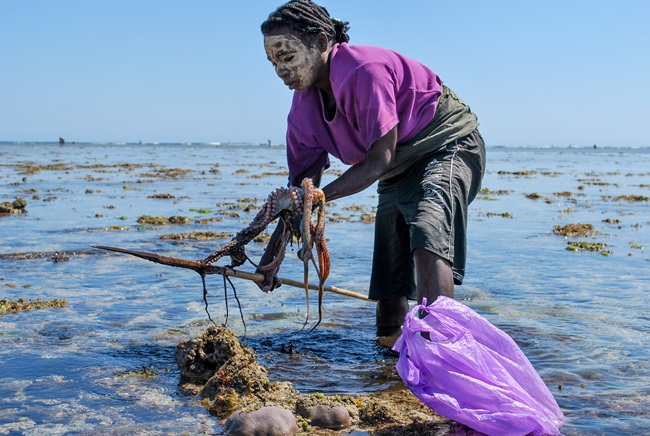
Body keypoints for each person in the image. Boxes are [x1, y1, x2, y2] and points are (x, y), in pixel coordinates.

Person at [257, 0, 486, 346]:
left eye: (287, 57)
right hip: (397, 165)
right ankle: (390, 355)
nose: (281, 71)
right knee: (389, 268)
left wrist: (319, 196)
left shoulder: (363, 71)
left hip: (445, 143)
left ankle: (444, 346)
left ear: (321, 43)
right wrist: (269, 261)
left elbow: (378, 160)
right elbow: (298, 196)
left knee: (427, 229)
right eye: (273, 63)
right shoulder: (302, 114)